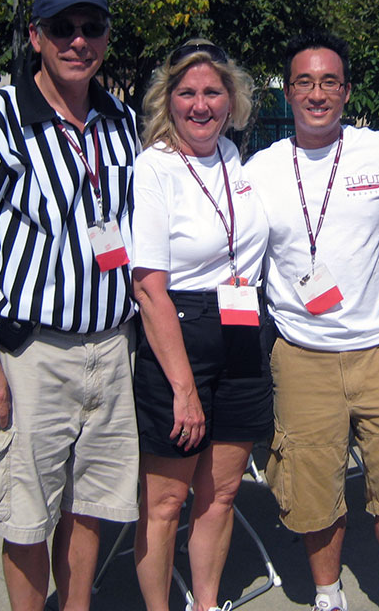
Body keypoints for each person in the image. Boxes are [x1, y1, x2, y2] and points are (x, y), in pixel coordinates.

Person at [0, 0, 139, 609]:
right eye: (62, 27)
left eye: (90, 26)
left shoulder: (119, 120)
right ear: (36, 35)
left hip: (111, 349)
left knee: (91, 506)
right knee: (25, 513)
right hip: (31, 355)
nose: (77, 41)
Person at [245, 31, 379, 611]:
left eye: (329, 81)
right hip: (302, 355)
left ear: (346, 91)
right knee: (310, 484)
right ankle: (329, 595)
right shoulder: (262, 168)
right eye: (304, 82)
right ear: (289, 91)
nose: (317, 93)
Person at [131, 40, 273, 611]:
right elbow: (148, 286)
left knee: (221, 493)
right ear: (168, 100)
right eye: (186, 92)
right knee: (166, 503)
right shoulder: (156, 168)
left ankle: (207, 603)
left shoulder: (234, 158)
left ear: (231, 98)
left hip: (240, 328)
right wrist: (184, 389)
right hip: (180, 334)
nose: (200, 104)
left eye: (212, 91)